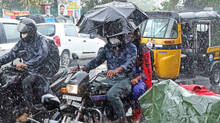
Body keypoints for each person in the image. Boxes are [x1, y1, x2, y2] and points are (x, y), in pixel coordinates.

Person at [0, 18, 60, 122]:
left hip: (44, 69)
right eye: (21, 33)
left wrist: (26, 64)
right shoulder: (23, 41)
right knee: (10, 81)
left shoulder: (42, 41)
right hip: (30, 69)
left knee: (26, 82)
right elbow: (11, 53)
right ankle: (14, 107)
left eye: (25, 33)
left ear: (31, 31)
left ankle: (31, 109)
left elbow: (42, 56)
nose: (22, 34)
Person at [73, 33, 137, 123]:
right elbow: (97, 60)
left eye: (115, 36)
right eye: (111, 36)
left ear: (121, 36)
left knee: (112, 95)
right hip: (110, 79)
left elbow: (129, 62)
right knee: (89, 89)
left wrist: (117, 70)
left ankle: (123, 119)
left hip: (125, 79)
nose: (113, 38)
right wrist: (82, 68)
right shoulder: (108, 47)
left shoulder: (131, 47)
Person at [131, 28, 153, 123]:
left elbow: (147, 70)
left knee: (137, 90)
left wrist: (138, 78)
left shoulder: (142, 49)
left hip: (140, 78)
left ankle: (137, 114)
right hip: (125, 76)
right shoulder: (122, 47)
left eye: (132, 35)